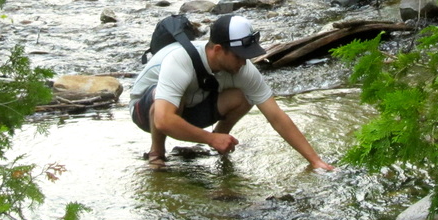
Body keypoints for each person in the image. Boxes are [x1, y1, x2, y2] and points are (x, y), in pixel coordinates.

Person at [129, 14, 335, 170]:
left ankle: (221, 135)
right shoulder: (179, 60)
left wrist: (315, 161)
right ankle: (157, 153)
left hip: (192, 106)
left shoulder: (243, 68)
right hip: (146, 112)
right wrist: (208, 139)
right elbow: (163, 120)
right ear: (218, 50)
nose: (243, 62)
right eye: (239, 56)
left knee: (245, 95)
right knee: (165, 100)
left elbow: (277, 116)